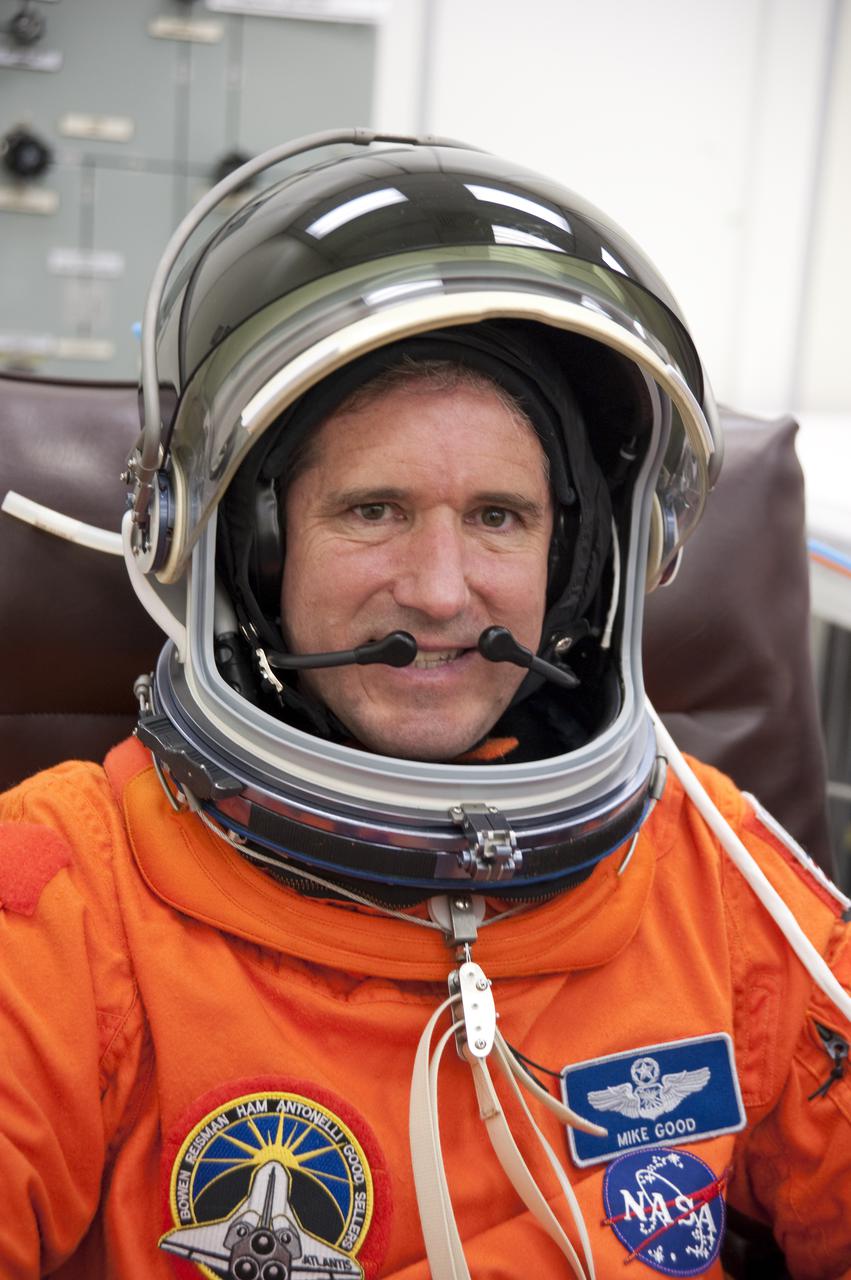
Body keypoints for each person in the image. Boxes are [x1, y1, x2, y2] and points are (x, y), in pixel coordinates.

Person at [1, 129, 849, 1280]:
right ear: (253, 552)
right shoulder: (64, 895)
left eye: (499, 516)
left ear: (579, 562)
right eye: (373, 509)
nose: (442, 589)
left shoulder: (717, 871)